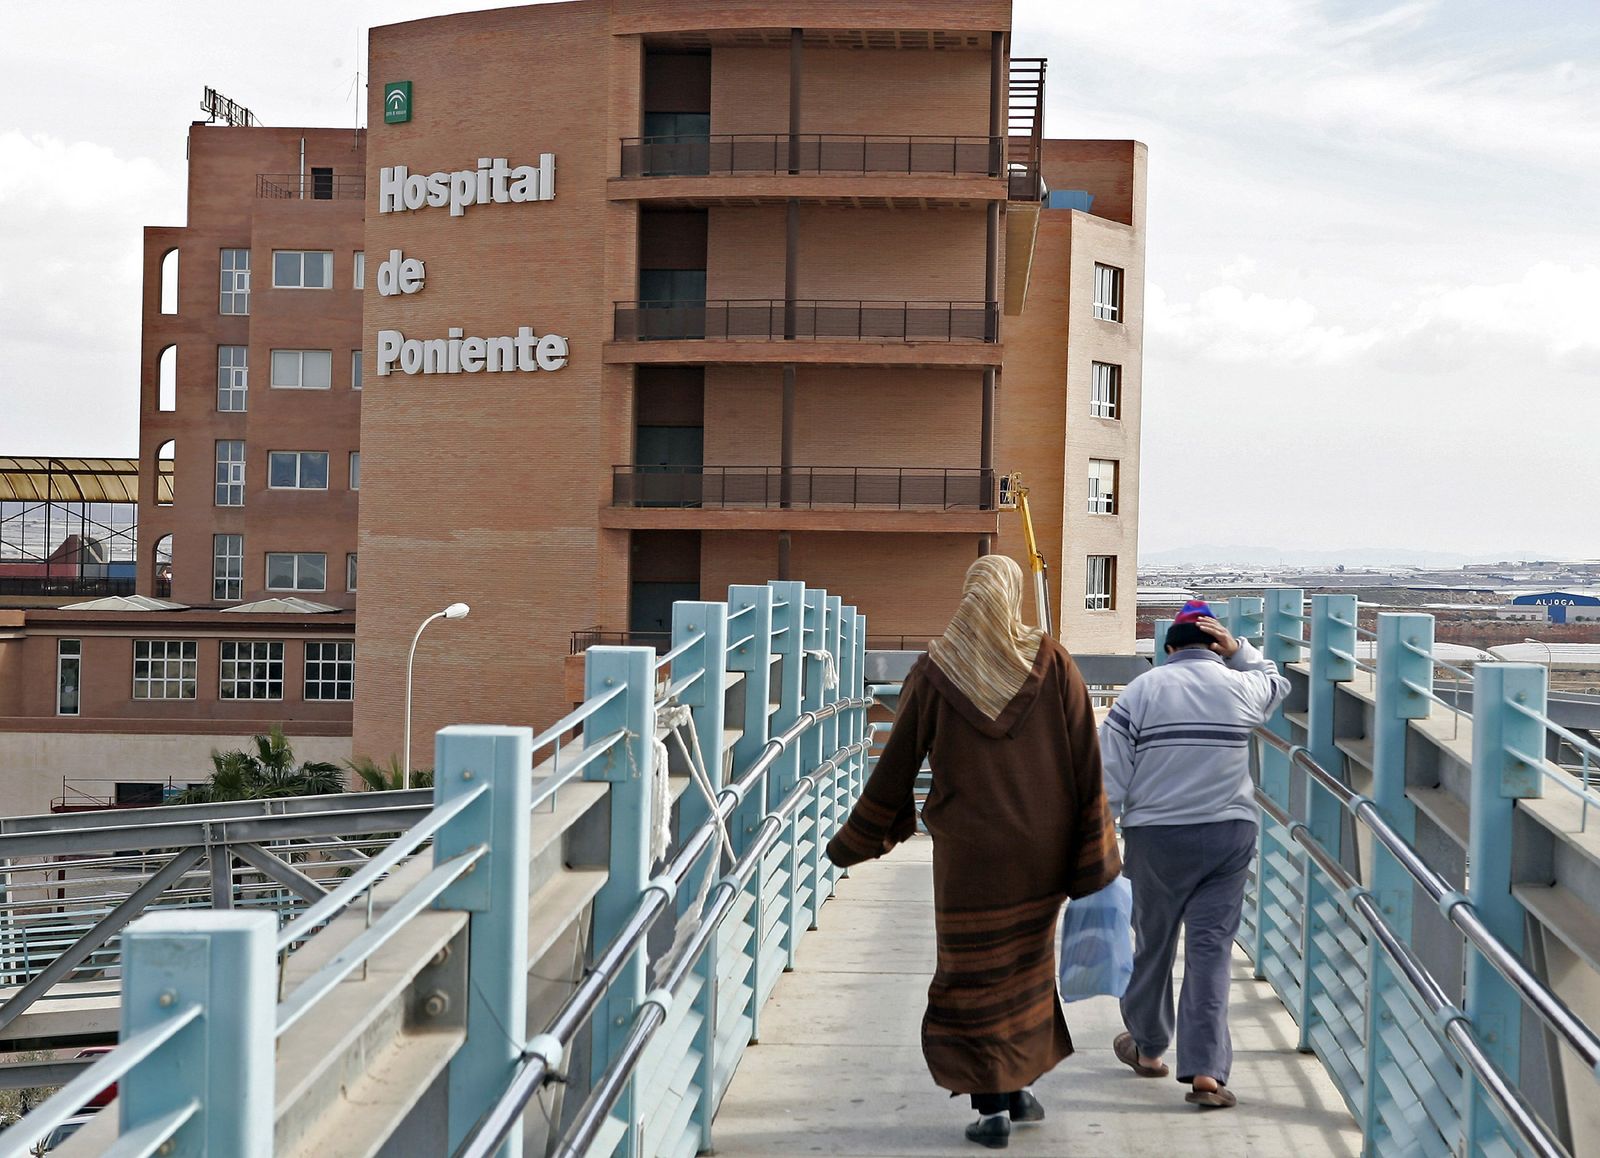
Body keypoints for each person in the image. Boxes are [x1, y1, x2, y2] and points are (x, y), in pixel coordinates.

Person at [825, 554, 1120, 1150]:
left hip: (968, 858)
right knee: (1027, 966)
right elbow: (1086, 758)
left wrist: (855, 838)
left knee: (975, 971)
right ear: (1011, 597)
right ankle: (1014, 1089)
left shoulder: (936, 671)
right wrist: (1095, 850)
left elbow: (897, 762)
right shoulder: (1053, 662)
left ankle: (995, 1105)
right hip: (1041, 851)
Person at [1099, 599, 1290, 1109]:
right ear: (1216, 648)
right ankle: (1207, 1072)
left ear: (1167, 649)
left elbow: (1110, 775)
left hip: (1157, 836)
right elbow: (1276, 681)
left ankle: (1148, 1048)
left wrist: (1100, 834)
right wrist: (1241, 649)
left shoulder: (1142, 690)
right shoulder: (1239, 686)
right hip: (1228, 835)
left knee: (1153, 944)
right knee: (1211, 951)